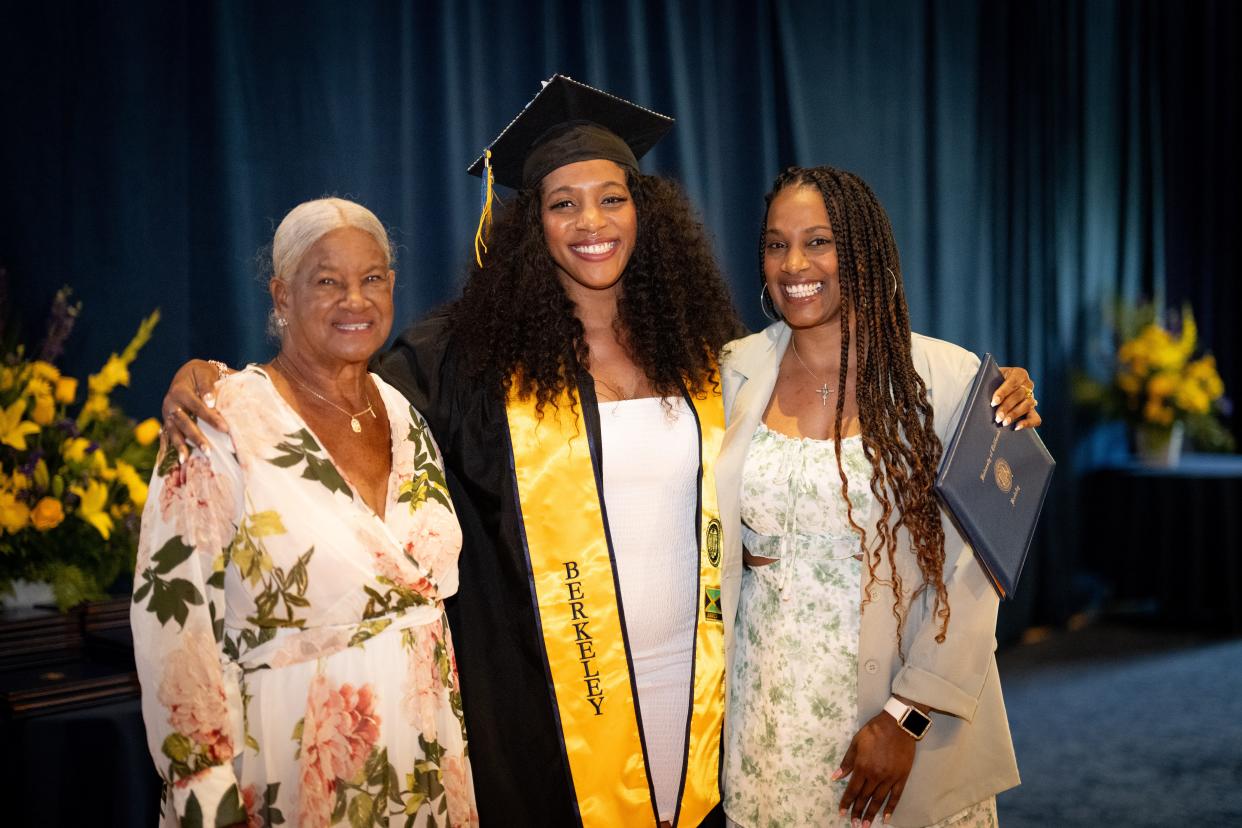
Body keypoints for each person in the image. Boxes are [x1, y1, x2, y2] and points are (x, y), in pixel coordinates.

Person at [158, 78, 1041, 827]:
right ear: (530, 222)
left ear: (643, 210)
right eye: (562, 202)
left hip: (709, 698)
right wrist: (225, 383)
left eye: (611, 197)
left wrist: (1006, 393)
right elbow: (342, 389)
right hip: (559, 710)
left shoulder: (711, 352)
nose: (592, 221)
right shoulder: (468, 360)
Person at [133, 198, 477, 827]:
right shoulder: (220, 422)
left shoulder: (407, 416)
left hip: (426, 763)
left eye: (372, 278)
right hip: (288, 765)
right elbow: (175, 622)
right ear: (281, 296)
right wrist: (204, 793)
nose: (356, 299)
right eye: (327, 281)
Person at [716, 166, 1037, 828]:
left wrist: (907, 717)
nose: (794, 263)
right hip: (766, 718)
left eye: (819, 241)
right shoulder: (734, 370)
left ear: (862, 251)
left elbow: (977, 576)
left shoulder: (950, 382)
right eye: (777, 244)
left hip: (899, 715)